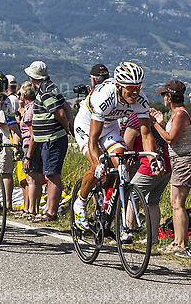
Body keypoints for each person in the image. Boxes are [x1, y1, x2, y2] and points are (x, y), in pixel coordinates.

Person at [72, 62, 160, 239]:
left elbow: (146, 134)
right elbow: (93, 139)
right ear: (119, 86)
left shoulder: (140, 100)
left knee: (122, 164)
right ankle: (80, 203)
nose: (135, 92)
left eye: (138, 87)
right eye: (131, 88)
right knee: (96, 168)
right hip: (87, 125)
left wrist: (153, 159)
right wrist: (97, 163)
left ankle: (112, 211)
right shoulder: (104, 97)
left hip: (110, 126)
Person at [25, 61, 73, 222]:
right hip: (49, 139)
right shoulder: (49, 87)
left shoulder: (45, 91)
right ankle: (48, 208)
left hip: (52, 138)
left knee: (52, 175)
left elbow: (59, 111)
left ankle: (51, 211)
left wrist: (65, 126)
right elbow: (66, 106)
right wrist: (68, 126)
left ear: (32, 77)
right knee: (50, 174)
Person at [151, 80, 191, 257]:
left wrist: (155, 124)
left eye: (164, 95)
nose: (163, 98)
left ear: (169, 96)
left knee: (178, 204)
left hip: (183, 161)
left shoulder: (181, 114)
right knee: (176, 203)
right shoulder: (177, 113)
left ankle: (181, 244)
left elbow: (170, 138)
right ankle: (178, 242)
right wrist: (161, 121)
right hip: (179, 161)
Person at [121, 112, 171, 246]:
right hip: (166, 164)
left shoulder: (135, 119)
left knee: (131, 195)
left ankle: (127, 233)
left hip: (150, 166)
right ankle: (153, 238)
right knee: (152, 202)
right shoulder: (151, 115)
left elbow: (127, 144)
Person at [0, 74, 20, 211]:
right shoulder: (15, 99)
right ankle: (6, 202)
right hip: (9, 138)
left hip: (4, 138)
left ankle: (7, 203)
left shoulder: (8, 101)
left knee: (5, 172)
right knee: (6, 172)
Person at [20, 82, 42, 218]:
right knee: (37, 178)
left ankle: (32, 209)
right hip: (38, 145)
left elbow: (32, 134)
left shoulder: (29, 111)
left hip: (30, 145)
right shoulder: (37, 106)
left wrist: (28, 156)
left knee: (31, 178)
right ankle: (35, 208)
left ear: (23, 95)